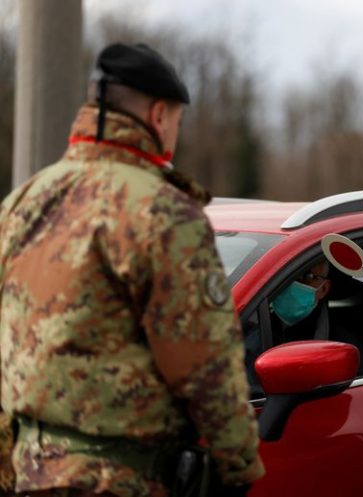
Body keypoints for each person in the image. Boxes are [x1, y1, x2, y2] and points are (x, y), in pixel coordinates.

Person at [0, 43, 263, 496]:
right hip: (122, 478)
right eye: (177, 123)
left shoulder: (23, 201)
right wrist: (237, 467)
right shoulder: (161, 211)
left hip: (28, 473)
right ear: (159, 115)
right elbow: (204, 364)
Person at [268, 261, 363, 375]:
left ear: (323, 289)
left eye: (305, 277)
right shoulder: (256, 316)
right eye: (285, 276)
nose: (290, 284)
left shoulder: (340, 348)